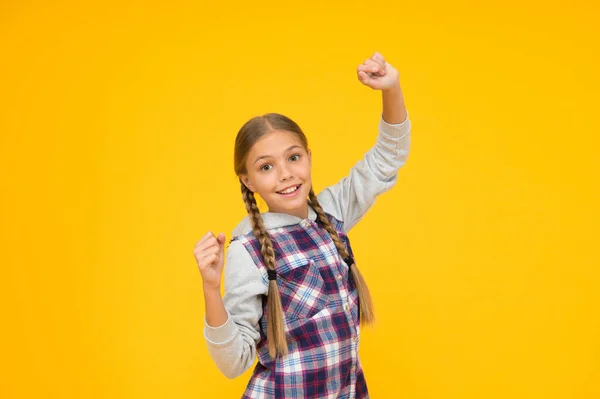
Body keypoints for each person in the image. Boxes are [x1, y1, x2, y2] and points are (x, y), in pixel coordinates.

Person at [193, 51, 411, 398]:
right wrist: (210, 288)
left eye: (293, 157)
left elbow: (388, 158)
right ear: (248, 180)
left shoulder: (332, 212)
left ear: (309, 156)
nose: (286, 175)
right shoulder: (248, 252)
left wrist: (392, 88)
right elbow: (233, 363)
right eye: (266, 167)